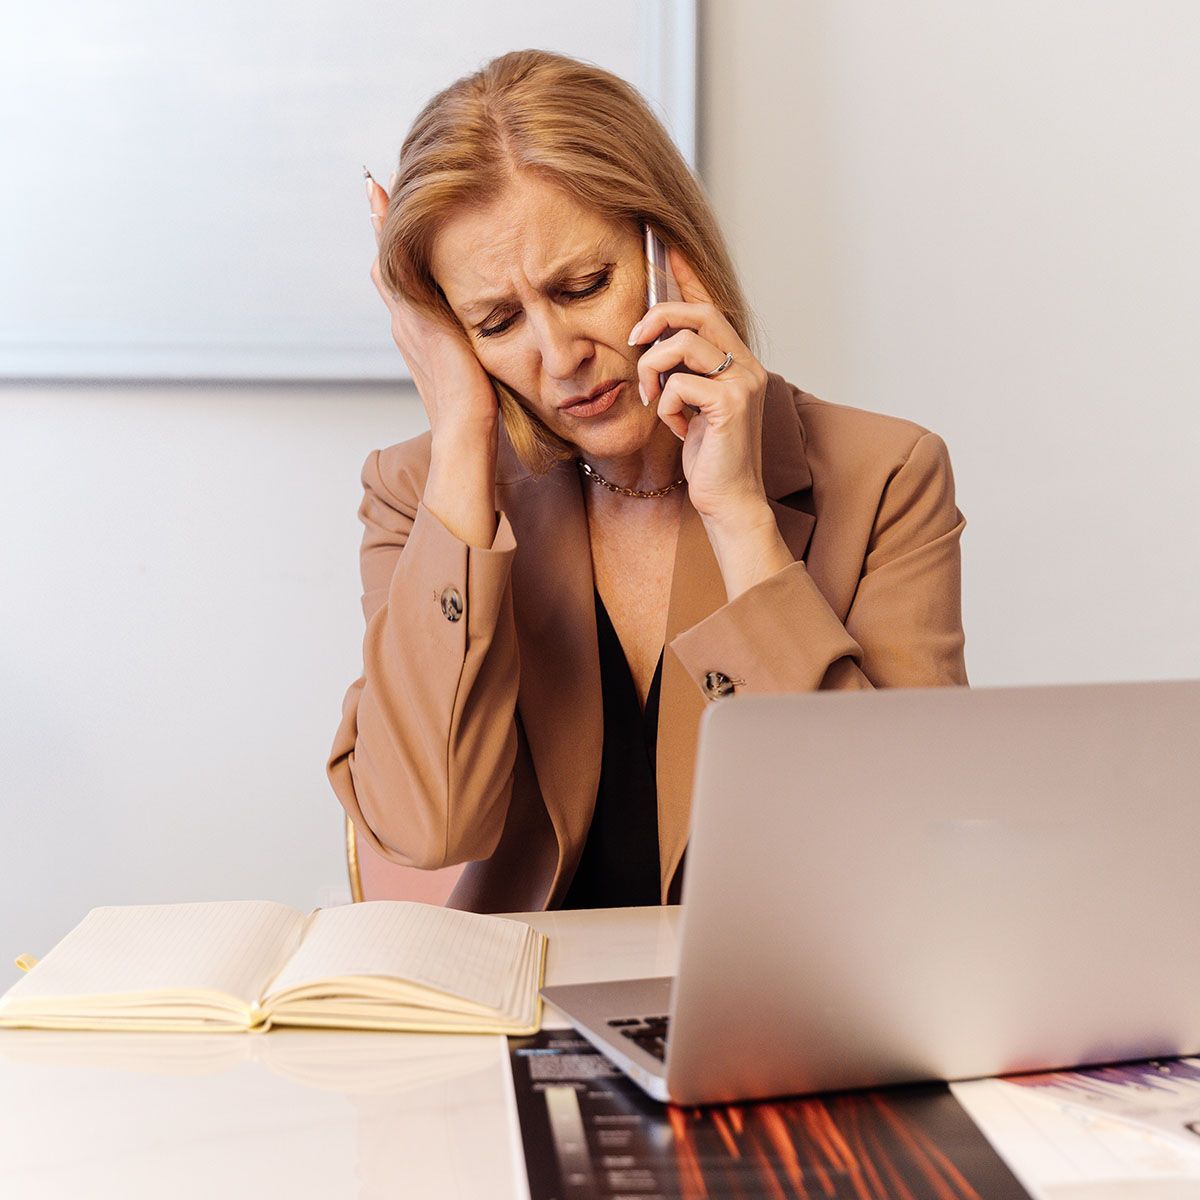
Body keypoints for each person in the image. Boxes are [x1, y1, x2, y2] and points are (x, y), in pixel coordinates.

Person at [327, 49, 968, 913]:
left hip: (781, 1018)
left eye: (584, 286)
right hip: (522, 1017)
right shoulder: (423, 492)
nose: (559, 359)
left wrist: (740, 517)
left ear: (672, 253)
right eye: (497, 321)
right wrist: (461, 434)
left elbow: (891, 850)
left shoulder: (885, 475)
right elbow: (426, 826)